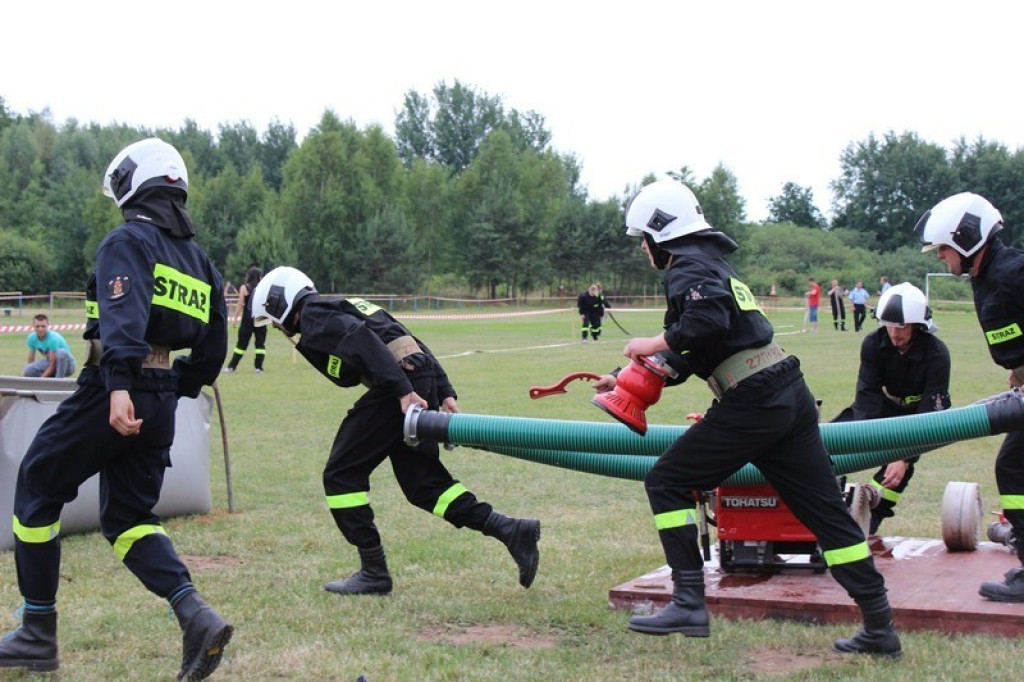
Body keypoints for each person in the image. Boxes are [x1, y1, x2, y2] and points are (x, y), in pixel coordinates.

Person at [595, 179, 900, 656]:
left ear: (659, 234)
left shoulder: (687, 267)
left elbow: (702, 325)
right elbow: (698, 348)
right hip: (786, 393)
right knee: (827, 516)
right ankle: (880, 628)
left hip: (754, 400)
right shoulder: (712, 265)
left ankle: (689, 601)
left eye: (643, 239)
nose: (643, 250)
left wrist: (649, 343)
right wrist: (623, 377)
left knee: (666, 481)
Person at [0, 138, 233, 678]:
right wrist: (173, 389)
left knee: (36, 488)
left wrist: (122, 385)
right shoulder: (201, 263)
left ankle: (37, 631)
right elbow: (213, 349)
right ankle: (195, 615)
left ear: (135, 183)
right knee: (128, 519)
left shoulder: (126, 242)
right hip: (160, 398)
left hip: (114, 387)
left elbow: (123, 315)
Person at [249, 266, 541, 596]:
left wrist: (402, 391)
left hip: (398, 388)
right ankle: (509, 529)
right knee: (423, 485)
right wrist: (444, 389)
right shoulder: (345, 303)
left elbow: (359, 341)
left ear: (280, 303)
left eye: (272, 319)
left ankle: (374, 571)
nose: (275, 327)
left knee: (341, 474)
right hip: (416, 379)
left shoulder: (315, 313)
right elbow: (408, 338)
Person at [915, 191, 1024, 602]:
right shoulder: (989, 275)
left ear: (965, 238)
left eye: (943, 248)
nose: (941, 256)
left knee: (1014, 468)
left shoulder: (1014, 270)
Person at [831, 283, 951, 535]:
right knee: (827, 443)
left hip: (916, 415)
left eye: (902, 326)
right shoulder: (873, 344)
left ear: (918, 325)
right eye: (889, 325)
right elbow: (866, 397)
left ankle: (871, 517)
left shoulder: (937, 354)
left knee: (898, 472)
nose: (894, 333)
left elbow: (930, 414)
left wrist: (903, 456)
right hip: (878, 408)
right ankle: (827, 507)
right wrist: (876, 442)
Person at [222, 266, 267, 373]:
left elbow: (240, 304)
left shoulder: (244, 288)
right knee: (260, 345)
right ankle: (258, 368)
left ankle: (231, 367)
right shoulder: (263, 287)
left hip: (247, 319)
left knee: (241, 345)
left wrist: (234, 319)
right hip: (261, 318)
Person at [22, 314, 76, 378]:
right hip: (50, 363)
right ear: (33, 326)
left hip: (67, 366)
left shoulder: (53, 338)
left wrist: (42, 379)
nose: (40, 329)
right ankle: (45, 386)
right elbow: (30, 361)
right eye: (37, 326)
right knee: (28, 369)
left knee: (61, 352)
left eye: (43, 326)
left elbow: (53, 365)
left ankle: (58, 382)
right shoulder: (32, 338)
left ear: (47, 326)